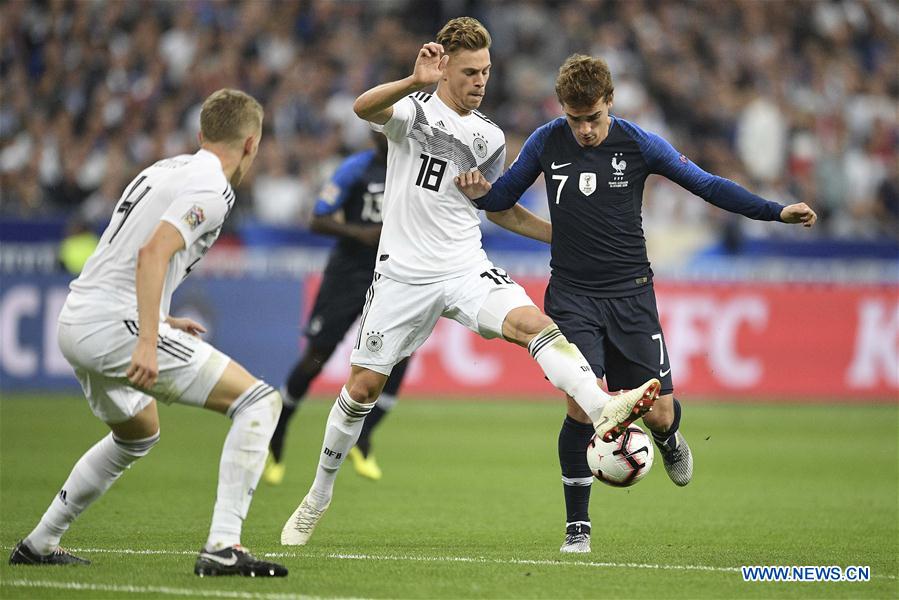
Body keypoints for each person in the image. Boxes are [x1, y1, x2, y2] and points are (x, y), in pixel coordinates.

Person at [280, 18, 660, 547]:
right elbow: (362, 107)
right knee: (362, 388)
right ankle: (318, 494)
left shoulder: (488, 136)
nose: (480, 80)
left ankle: (602, 409)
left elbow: (498, 210)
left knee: (535, 324)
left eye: (486, 71)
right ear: (443, 70)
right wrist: (414, 81)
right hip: (403, 275)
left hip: (464, 265)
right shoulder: (413, 113)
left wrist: (562, 237)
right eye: (469, 71)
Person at [455, 54, 818, 554]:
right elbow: (503, 200)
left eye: (593, 118)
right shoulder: (545, 142)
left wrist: (775, 211)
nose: (584, 130)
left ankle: (667, 441)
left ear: (610, 103)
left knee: (661, 413)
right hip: (571, 297)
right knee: (583, 406)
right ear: (562, 109)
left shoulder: (639, 143)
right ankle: (577, 528)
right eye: (574, 119)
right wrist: (481, 194)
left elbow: (708, 186)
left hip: (632, 298)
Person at [8, 89, 288, 577]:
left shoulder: (165, 168)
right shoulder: (214, 189)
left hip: (78, 318)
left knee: (137, 435)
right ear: (251, 146)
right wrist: (145, 339)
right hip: (116, 326)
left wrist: (159, 318)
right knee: (259, 402)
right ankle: (224, 546)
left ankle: (39, 542)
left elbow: (130, 250)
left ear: (201, 135)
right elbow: (152, 253)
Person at [264, 133, 411, 485]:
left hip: (393, 275)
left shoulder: (413, 165)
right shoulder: (356, 169)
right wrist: (360, 234)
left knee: (402, 357)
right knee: (317, 356)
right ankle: (277, 430)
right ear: (376, 131)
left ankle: (364, 436)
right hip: (348, 275)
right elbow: (318, 218)